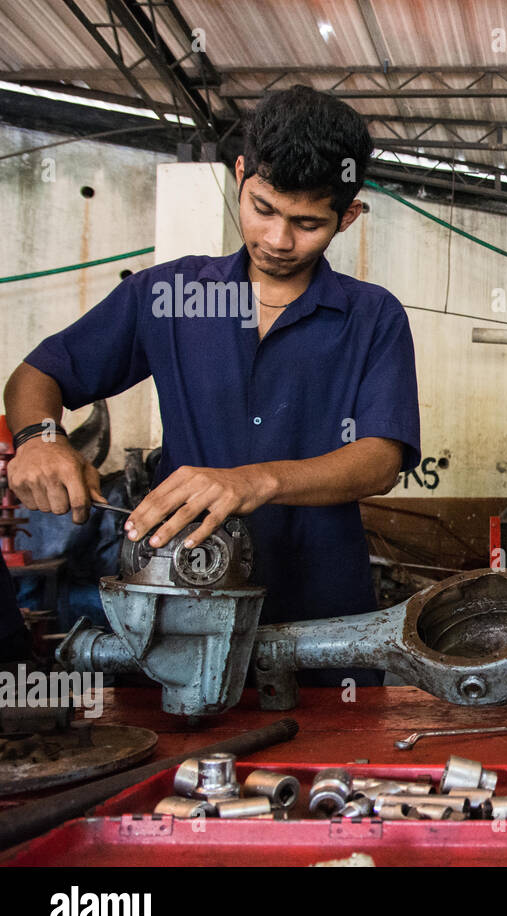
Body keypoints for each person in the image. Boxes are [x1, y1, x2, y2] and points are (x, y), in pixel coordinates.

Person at [4, 85, 420, 632]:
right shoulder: (168, 295)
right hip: (181, 604)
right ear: (242, 173)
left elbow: (381, 459)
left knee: (337, 720)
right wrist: (41, 438)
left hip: (325, 618)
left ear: (348, 216)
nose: (276, 238)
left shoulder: (373, 317)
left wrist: (256, 481)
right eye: (262, 208)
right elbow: (39, 375)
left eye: (307, 223)